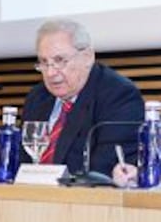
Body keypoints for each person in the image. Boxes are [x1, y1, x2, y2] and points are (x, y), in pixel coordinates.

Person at [21, 19, 145, 176]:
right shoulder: (37, 98)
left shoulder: (118, 96)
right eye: (44, 63)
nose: (50, 73)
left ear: (87, 57)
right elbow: (21, 163)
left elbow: (104, 170)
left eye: (59, 61)